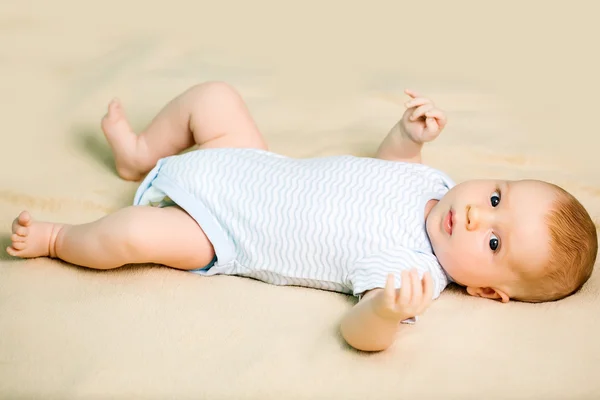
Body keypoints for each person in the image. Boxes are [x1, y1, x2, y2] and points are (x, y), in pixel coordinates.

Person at [7, 82, 597, 352]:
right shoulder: (435, 183)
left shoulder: (412, 274)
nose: (474, 217)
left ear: (489, 290)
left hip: (222, 232)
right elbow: (386, 168)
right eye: (496, 199)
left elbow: (357, 332)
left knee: (132, 234)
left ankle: (60, 240)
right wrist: (406, 136)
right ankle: (139, 155)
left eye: (494, 242)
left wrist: (387, 314)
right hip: (248, 161)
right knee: (214, 99)